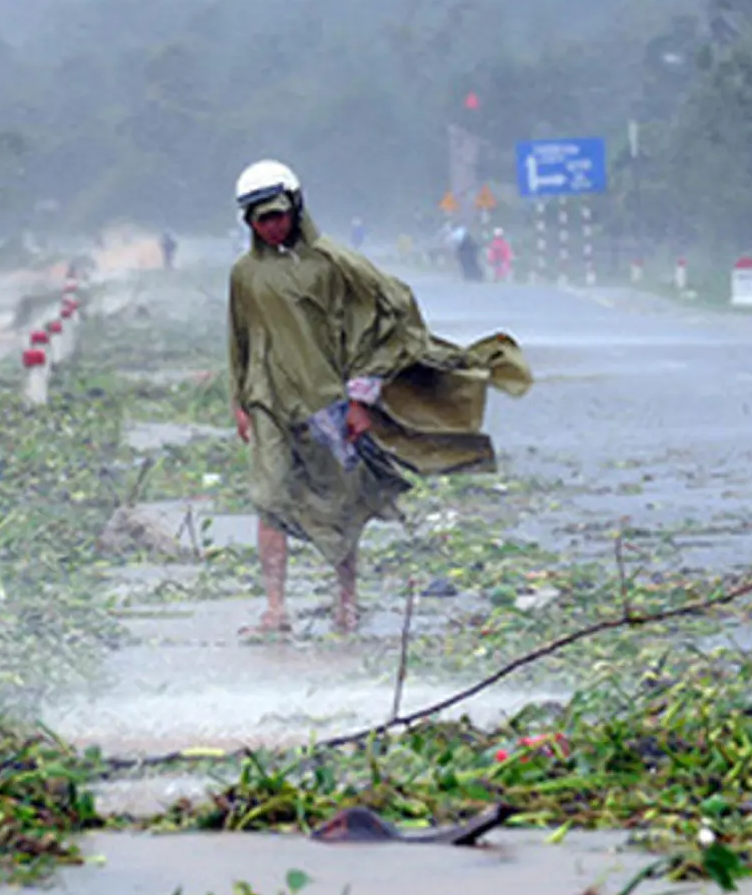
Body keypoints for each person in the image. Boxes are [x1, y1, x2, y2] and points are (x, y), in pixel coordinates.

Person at [227, 160, 531, 637]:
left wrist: (361, 397)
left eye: (277, 215)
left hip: (328, 400)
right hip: (269, 400)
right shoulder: (245, 274)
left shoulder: (334, 263)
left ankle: (346, 600)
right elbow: (239, 337)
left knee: (343, 502)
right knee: (269, 499)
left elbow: (390, 314)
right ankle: (275, 608)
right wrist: (240, 400)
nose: (270, 226)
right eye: (259, 219)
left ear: (295, 207)